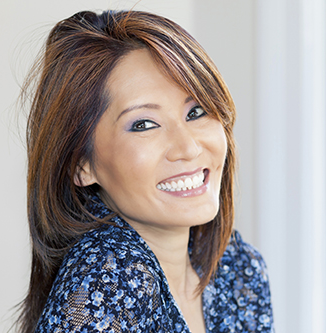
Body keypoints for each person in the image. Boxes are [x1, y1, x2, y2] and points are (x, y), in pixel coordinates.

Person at [16, 10, 274, 333]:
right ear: (81, 164)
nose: (189, 148)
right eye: (144, 124)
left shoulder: (238, 270)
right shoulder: (105, 290)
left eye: (196, 111)